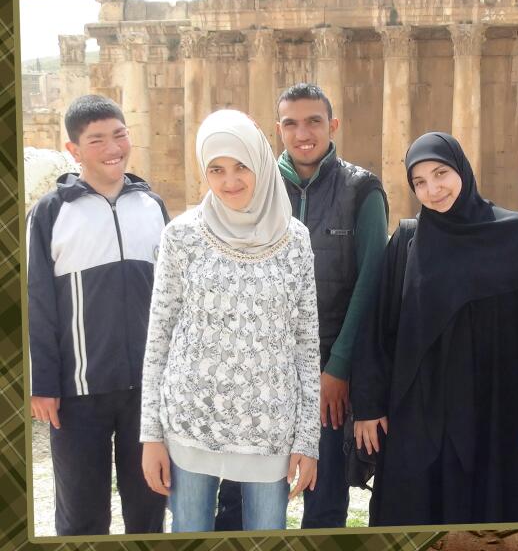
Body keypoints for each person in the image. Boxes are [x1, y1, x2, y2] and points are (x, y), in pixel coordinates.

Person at [351, 132, 518, 526]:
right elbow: (377, 329)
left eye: (440, 173)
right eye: (419, 182)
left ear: (461, 169)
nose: (433, 190)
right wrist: (369, 405)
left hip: (498, 418)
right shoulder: (408, 243)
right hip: (421, 420)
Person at [216, 83, 388, 530]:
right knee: (241, 499)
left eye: (314, 121)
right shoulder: (255, 187)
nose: (302, 133)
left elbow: (370, 284)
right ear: (279, 130)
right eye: (291, 123)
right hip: (260, 370)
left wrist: (339, 368)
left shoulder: (362, 190)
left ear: (333, 125)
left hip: (329, 371)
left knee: (325, 499)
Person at [139, 109, 320, 532]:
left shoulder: (295, 240)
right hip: (190, 427)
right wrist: (151, 435)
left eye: (241, 166)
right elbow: (159, 336)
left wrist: (307, 439)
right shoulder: (181, 236)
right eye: (216, 169)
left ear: (260, 163)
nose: (230, 181)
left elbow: (306, 344)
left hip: (269, 431)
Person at [27, 94, 168, 535]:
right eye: (97, 139)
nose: (113, 147)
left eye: (120, 135)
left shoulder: (152, 206)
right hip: (77, 393)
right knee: (82, 518)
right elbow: (37, 301)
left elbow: (172, 299)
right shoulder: (51, 212)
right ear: (74, 149)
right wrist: (43, 384)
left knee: (148, 510)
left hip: (146, 392)